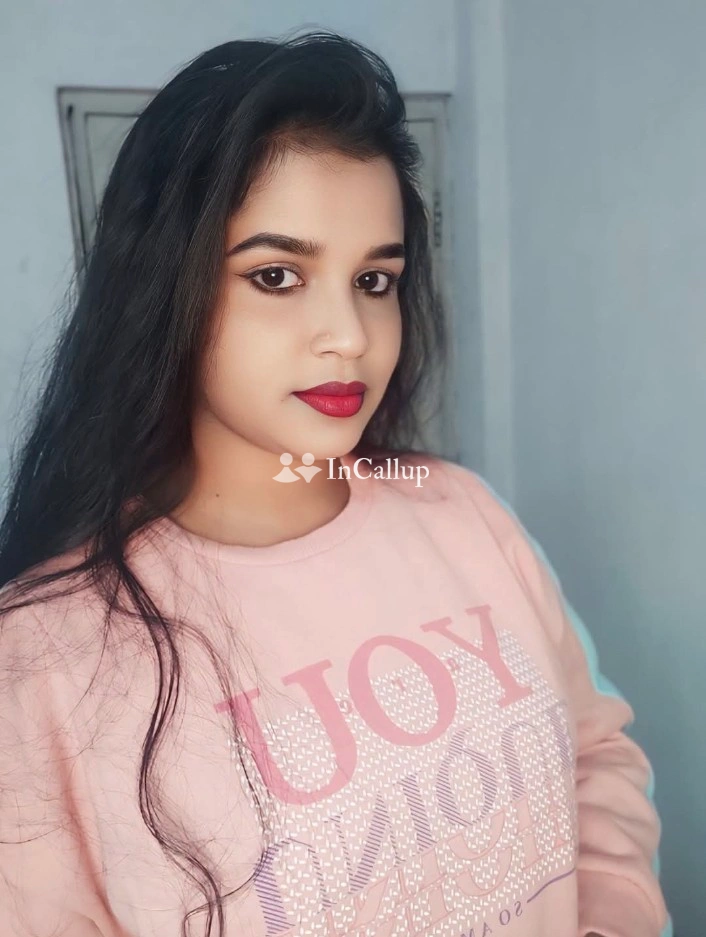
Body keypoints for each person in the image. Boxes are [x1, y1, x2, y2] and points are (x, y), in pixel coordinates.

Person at [0, 29, 671, 937]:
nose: (350, 334)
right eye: (277, 275)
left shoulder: (464, 512)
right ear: (163, 287)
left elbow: (594, 751)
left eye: (374, 279)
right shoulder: (40, 663)